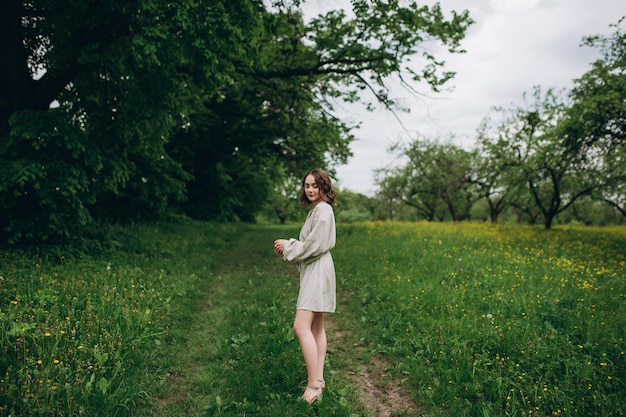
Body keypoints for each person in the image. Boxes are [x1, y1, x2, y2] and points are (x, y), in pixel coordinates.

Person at [274, 169, 337, 403]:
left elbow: (313, 246)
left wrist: (288, 246)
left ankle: (313, 386)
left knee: (301, 327)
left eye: (315, 185)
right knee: (317, 327)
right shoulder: (317, 210)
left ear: (324, 187)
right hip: (317, 268)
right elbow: (313, 244)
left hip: (318, 271)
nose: (310, 189)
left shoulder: (323, 210)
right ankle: (319, 380)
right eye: (307, 185)